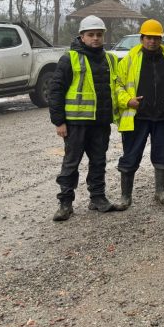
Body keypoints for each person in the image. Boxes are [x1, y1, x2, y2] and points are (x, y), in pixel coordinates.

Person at [49, 15, 124, 221]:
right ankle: (65, 203)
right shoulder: (69, 58)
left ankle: (98, 199)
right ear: (82, 36)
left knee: (99, 161)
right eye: (91, 34)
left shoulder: (110, 59)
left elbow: (116, 87)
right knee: (71, 163)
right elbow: (55, 90)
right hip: (76, 123)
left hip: (100, 123)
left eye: (99, 34)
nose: (95, 38)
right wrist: (59, 121)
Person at [115, 19, 164, 208]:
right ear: (142, 38)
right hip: (137, 117)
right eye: (148, 38)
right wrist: (128, 101)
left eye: (156, 38)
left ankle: (160, 191)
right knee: (131, 155)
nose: (152, 41)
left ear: (161, 39)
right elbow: (118, 85)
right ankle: (125, 196)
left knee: (162, 154)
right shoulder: (129, 59)